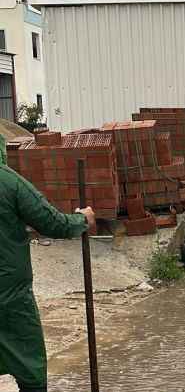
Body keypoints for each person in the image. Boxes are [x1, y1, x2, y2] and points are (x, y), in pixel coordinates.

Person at [0, 146, 95, 392]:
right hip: (10, 299)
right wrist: (82, 219)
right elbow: (51, 222)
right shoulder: (9, 181)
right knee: (30, 371)